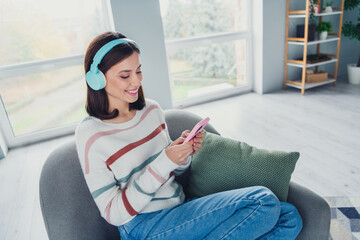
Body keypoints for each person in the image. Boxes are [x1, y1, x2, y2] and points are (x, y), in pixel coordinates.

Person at [75, 31, 303, 240]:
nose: (137, 81)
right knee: (262, 201)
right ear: (97, 78)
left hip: (181, 210)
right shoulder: (91, 135)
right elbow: (114, 214)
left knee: (289, 216)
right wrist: (165, 161)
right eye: (125, 75)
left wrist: (183, 155)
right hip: (142, 225)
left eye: (139, 70)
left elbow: (173, 171)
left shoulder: (152, 111)